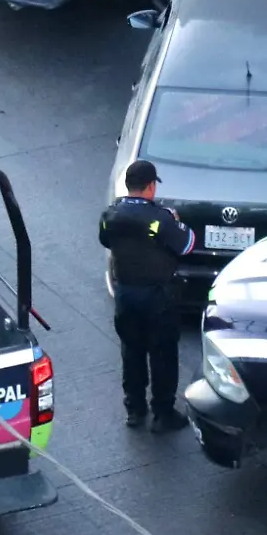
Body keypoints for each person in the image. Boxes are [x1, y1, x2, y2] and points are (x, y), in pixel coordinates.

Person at [98, 159, 195, 432]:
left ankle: (134, 408)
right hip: (157, 296)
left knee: (132, 351)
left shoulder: (110, 215)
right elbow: (187, 245)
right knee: (163, 354)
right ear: (150, 186)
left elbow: (106, 240)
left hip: (126, 295)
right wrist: (177, 222)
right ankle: (163, 414)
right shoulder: (161, 218)